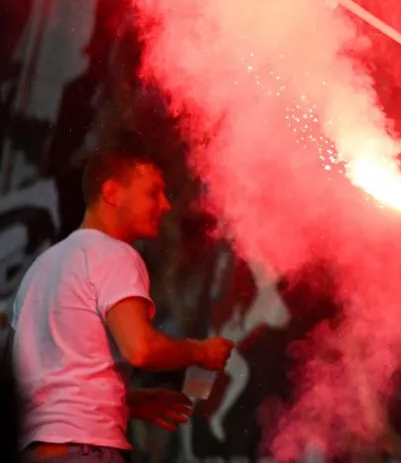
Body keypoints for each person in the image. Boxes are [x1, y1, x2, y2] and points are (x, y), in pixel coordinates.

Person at [10, 139, 234, 462]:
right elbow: (139, 348)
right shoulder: (114, 255)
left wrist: (129, 402)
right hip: (86, 451)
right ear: (112, 192)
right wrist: (201, 352)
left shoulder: (42, 267)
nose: (165, 205)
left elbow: (22, 375)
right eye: (152, 193)